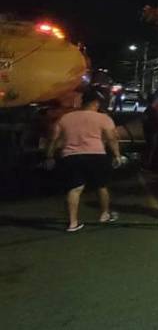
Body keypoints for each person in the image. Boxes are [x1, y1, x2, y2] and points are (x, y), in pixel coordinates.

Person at [44, 90, 122, 232]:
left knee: (74, 189)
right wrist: (117, 155)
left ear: (82, 102)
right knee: (101, 186)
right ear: (96, 103)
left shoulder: (66, 118)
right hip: (96, 155)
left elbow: (54, 139)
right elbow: (112, 138)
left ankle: (73, 223)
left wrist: (49, 157)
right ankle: (104, 214)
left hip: (71, 156)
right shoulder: (103, 118)